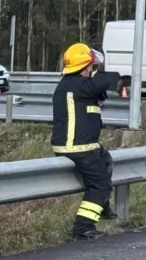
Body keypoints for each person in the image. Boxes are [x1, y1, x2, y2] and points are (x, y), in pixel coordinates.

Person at [52, 43, 121, 239]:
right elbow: (109, 80)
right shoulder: (79, 85)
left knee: (106, 159)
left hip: (83, 145)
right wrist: (119, 78)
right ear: (85, 66)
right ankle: (83, 229)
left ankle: (102, 204)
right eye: (92, 66)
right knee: (100, 185)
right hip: (77, 147)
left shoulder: (70, 85)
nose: (94, 69)